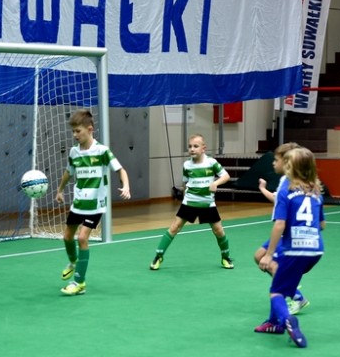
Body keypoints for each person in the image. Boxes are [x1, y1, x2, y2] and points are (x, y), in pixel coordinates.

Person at [254, 147, 325, 348]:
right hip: (316, 250)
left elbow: (279, 224)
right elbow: (322, 225)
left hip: (294, 248)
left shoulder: (286, 190)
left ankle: (286, 320)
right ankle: (273, 322)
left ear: (291, 167)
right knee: (283, 279)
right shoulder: (316, 192)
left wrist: (269, 254)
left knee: (276, 291)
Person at [55, 108, 130, 296]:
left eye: (78, 131)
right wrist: (60, 190)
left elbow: (120, 170)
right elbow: (68, 172)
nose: (75, 135)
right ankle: (74, 262)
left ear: (90, 129)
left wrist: (126, 186)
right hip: (78, 203)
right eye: (73, 131)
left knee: (82, 238)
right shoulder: (74, 152)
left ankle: (79, 282)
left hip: (96, 205)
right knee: (67, 237)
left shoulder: (102, 151)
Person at [149, 134, 233, 271]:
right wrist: (183, 198)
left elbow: (226, 176)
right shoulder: (187, 165)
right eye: (190, 146)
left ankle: (226, 257)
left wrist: (215, 183)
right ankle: (158, 256)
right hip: (190, 202)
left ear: (203, 148)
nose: (192, 149)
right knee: (174, 227)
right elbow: (185, 183)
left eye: (195, 146)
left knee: (218, 231)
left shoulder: (211, 162)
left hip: (207, 203)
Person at [255, 142, 309, 315]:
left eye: (276, 160)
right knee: (259, 256)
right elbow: (277, 199)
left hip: (290, 234)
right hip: (288, 233)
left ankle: (296, 296)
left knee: (268, 260)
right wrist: (263, 189)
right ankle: (293, 291)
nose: (273, 163)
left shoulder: (292, 184)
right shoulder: (284, 181)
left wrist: (270, 253)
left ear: (287, 162)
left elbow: (280, 222)